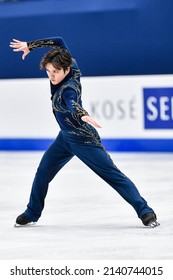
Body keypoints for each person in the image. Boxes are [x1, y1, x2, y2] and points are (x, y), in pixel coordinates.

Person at [10, 36, 159, 228]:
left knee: (113, 175)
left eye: (55, 72)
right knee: (43, 172)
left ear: (66, 70)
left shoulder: (67, 88)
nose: (51, 76)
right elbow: (59, 41)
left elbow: (72, 103)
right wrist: (30, 46)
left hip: (83, 139)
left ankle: (145, 211)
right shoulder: (71, 63)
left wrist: (82, 115)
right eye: (48, 71)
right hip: (64, 138)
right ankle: (32, 212)